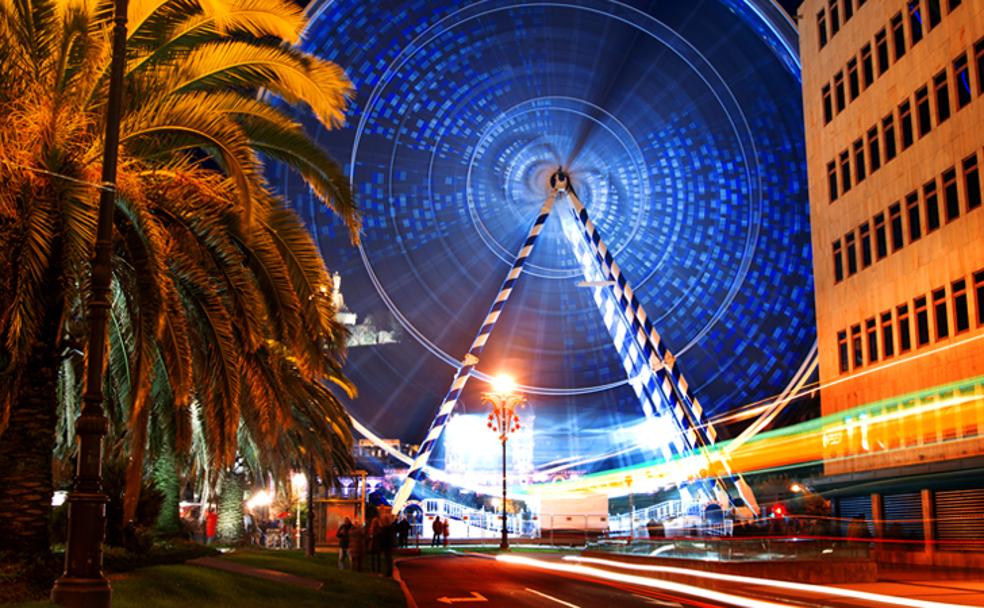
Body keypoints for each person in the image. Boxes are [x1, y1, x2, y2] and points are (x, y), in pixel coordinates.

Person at [380, 513, 397, 577]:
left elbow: (385, 537)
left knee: (388, 559)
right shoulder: (390, 528)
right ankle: (389, 571)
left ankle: (389, 572)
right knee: (388, 559)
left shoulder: (386, 528)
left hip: (387, 545)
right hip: (388, 545)